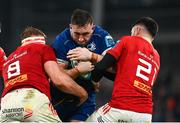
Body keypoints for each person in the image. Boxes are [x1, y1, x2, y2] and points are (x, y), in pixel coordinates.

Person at [0, 27, 89, 122]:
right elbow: (58, 80)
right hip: (32, 100)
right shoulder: (43, 48)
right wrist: (82, 93)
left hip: (6, 105)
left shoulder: (9, 59)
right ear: (42, 39)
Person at [86, 17, 160, 122]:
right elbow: (126, 77)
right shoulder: (157, 56)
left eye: (132, 31)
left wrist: (93, 80)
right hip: (146, 115)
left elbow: (103, 65)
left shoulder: (128, 40)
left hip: (121, 107)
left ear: (137, 30)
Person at [51, 8, 116, 122]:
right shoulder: (61, 41)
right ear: (70, 27)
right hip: (61, 96)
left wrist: (92, 56)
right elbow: (57, 79)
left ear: (93, 27)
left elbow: (116, 69)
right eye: (77, 34)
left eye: (85, 34)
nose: (81, 39)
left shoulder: (102, 37)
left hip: (87, 96)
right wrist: (77, 70)